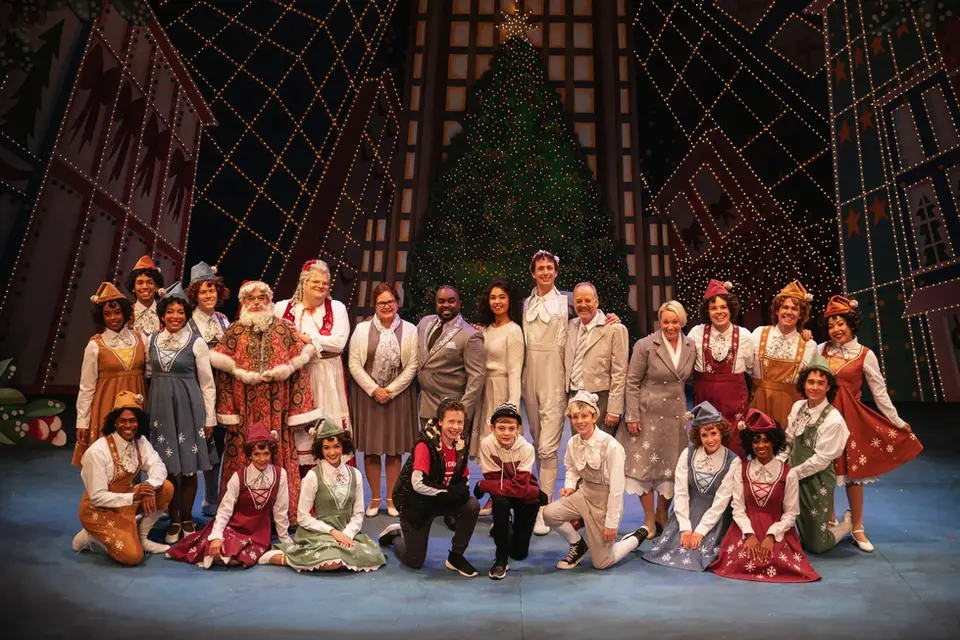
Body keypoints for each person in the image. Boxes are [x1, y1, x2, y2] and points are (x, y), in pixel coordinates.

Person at [209, 280, 320, 523]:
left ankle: (281, 517)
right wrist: (228, 412)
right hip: (243, 414)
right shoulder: (233, 332)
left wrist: (298, 411)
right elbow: (223, 377)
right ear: (243, 302)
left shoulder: (285, 329)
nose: (257, 302)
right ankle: (240, 515)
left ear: (270, 301)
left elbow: (299, 373)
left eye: (262, 298)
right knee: (242, 460)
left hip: (278, 414)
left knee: (278, 457)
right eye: (251, 298)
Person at [819, 295, 922, 552]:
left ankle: (857, 527)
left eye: (840, 324)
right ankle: (829, 522)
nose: (836, 330)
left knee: (853, 475)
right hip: (822, 419)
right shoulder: (820, 350)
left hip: (850, 421)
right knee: (824, 472)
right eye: (831, 325)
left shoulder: (865, 354)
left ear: (851, 324)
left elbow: (880, 393)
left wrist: (896, 420)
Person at [709, 408, 820, 583]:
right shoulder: (741, 470)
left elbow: (791, 513)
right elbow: (738, 508)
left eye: (766, 440)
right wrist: (749, 534)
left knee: (777, 562)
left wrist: (771, 536)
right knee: (740, 561)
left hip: (777, 529)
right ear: (749, 444)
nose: (761, 445)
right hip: (745, 527)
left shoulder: (788, 474)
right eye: (756, 441)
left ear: (774, 442)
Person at [617, 300, 695, 540]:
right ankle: (649, 519)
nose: (670, 326)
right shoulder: (645, 345)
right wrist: (631, 415)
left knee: (670, 468)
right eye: (665, 321)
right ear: (659, 322)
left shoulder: (690, 345)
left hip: (675, 416)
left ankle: (662, 514)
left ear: (682, 322)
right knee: (645, 469)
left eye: (675, 322)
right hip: (647, 414)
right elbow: (632, 382)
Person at [542, 391, 646, 570]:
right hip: (583, 494)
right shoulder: (573, 442)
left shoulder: (611, 445)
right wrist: (570, 487)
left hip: (604, 503)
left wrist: (611, 524)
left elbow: (616, 489)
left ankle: (634, 539)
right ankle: (578, 545)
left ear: (594, 416)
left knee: (601, 563)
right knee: (549, 513)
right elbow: (571, 468)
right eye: (575, 417)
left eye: (584, 416)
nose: (580, 421)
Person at [165, 422, 292, 568]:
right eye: (257, 454)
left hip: (259, 531)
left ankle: (239, 555)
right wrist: (217, 536)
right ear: (249, 455)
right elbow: (225, 510)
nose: (262, 459)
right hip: (234, 526)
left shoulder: (280, 475)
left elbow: (280, 511)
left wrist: (285, 539)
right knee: (217, 549)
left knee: (236, 558)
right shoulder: (239, 476)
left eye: (266, 454)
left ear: (271, 454)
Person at [378, 399, 481, 577]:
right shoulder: (425, 445)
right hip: (417, 503)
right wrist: (448, 492)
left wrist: (459, 492)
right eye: (451, 421)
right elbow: (418, 483)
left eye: (460, 422)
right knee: (414, 561)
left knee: (471, 505)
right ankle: (395, 536)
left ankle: (456, 557)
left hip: (439, 498)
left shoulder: (461, 443)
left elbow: (464, 478)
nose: (456, 427)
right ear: (440, 421)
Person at [147, 282, 217, 544]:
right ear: (162, 315)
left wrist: (210, 418)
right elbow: (147, 373)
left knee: (188, 467)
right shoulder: (151, 340)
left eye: (180, 312)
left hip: (189, 408)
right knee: (167, 468)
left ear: (186, 315)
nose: (175, 316)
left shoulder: (196, 343)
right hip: (160, 410)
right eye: (170, 312)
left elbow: (208, 384)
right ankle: (173, 519)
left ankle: (187, 519)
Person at [270, 418, 386, 572]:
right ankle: (286, 558)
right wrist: (332, 532)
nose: (332, 452)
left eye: (336, 446)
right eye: (327, 448)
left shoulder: (355, 475)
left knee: (375, 556)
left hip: (346, 533)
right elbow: (302, 517)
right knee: (332, 562)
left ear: (343, 447)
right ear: (321, 450)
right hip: (319, 533)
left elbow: (358, 514)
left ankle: (326, 555)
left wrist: (346, 535)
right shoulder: (312, 476)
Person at [73, 390, 174, 565]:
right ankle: (92, 535)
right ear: (115, 422)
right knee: (132, 557)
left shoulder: (140, 442)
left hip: (126, 500)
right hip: (98, 509)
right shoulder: (97, 452)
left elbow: (158, 466)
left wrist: (148, 487)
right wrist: (135, 496)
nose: (128, 425)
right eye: (123, 421)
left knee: (166, 488)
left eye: (132, 420)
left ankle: (142, 538)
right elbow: (97, 497)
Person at [348, 283, 419, 518]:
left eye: (390, 302)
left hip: (398, 395)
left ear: (397, 303)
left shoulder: (410, 330)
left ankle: (391, 499)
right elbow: (354, 364)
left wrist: (390, 390)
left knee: (393, 450)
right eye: (381, 303)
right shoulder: (362, 329)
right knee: (371, 449)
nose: (386, 306)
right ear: (375, 306)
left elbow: (412, 365)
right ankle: (375, 499)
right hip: (368, 396)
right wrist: (374, 389)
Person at [643, 401, 740, 571]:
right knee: (673, 549)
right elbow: (681, 493)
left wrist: (700, 531)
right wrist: (685, 528)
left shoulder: (733, 461)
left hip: (714, 516)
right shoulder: (688, 454)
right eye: (704, 435)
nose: (710, 440)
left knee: (702, 553)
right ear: (698, 436)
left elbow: (721, 501)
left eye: (713, 433)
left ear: (721, 432)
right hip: (687, 511)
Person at [276, 259, 352, 465]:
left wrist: (306, 338)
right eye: (315, 281)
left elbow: (338, 343)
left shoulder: (336, 308)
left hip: (327, 374)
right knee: (298, 431)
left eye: (325, 283)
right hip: (295, 377)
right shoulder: (283, 308)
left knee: (328, 426)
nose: (321, 286)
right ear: (304, 283)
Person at [522, 250, 573, 535]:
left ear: (556, 271)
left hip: (556, 374)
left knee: (548, 447)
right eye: (540, 268)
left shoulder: (567, 301)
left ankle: (545, 508)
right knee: (537, 440)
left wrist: (609, 318)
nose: (545, 272)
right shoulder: (525, 304)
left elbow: (590, 314)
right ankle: (538, 500)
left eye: (549, 267)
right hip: (530, 375)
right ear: (533, 272)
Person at [781, 353, 852, 553]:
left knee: (816, 545)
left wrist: (791, 474)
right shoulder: (798, 407)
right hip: (791, 473)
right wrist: (778, 466)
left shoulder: (833, 420)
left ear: (828, 387)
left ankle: (846, 525)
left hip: (815, 480)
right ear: (804, 384)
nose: (815, 387)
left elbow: (821, 460)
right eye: (810, 382)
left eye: (821, 383)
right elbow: (788, 440)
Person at [73, 282, 146, 466]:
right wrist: (82, 422)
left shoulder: (140, 339)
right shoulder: (95, 346)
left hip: (136, 407)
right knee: (109, 462)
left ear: (125, 313)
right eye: (107, 314)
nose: (113, 317)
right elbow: (86, 387)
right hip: (107, 408)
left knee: (136, 459)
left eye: (117, 312)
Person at [472, 402, 546, 579]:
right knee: (500, 501)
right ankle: (501, 559)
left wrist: (482, 486)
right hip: (509, 493)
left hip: (524, 494)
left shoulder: (526, 449)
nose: (506, 433)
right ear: (492, 428)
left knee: (519, 553)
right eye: (501, 428)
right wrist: (533, 490)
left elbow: (519, 488)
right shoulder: (487, 444)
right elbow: (493, 479)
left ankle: (505, 528)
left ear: (518, 429)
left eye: (511, 428)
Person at [185, 261, 232, 517]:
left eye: (212, 289)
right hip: (198, 388)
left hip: (223, 389)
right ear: (195, 295)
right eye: (203, 291)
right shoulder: (188, 322)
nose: (208, 295)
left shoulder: (224, 320)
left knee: (218, 444)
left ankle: (212, 497)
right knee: (199, 443)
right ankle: (182, 503)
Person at [688, 280, 755, 459]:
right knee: (705, 448)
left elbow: (751, 367)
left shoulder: (745, 336)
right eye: (713, 308)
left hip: (734, 403)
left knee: (735, 449)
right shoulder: (696, 333)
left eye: (723, 307)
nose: (719, 312)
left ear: (731, 309)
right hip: (705, 401)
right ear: (707, 311)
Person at [416, 285, 486, 430]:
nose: (446, 305)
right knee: (426, 445)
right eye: (441, 301)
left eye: (451, 301)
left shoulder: (470, 335)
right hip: (425, 406)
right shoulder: (424, 323)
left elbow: (476, 379)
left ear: (459, 303)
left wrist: (462, 413)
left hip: (452, 411)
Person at [564, 282, 628, 437]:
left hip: (602, 398)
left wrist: (614, 409)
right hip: (574, 396)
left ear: (596, 302)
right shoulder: (570, 326)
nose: (583, 305)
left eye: (588, 300)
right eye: (578, 301)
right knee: (579, 445)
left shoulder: (614, 329)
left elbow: (620, 372)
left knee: (601, 447)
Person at [750, 280, 817, 429]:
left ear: (801, 315)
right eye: (785, 307)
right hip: (760, 403)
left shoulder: (808, 345)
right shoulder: (758, 334)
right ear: (777, 311)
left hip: (790, 408)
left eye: (794, 309)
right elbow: (745, 366)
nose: (789, 312)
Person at [470, 278, 524, 460]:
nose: (497, 301)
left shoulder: (514, 331)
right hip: (484, 392)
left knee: (502, 450)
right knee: (487, 451)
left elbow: (515, 373)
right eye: (493, 297)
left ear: (509, 300)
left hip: (501, 391)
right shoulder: (487, 329)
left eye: (502, 297)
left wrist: (512, 409)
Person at [126, 255, 164, 339]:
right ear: (133, 288)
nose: (145, 287)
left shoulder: (165, 312)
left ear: (156, 286)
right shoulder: (126, 313)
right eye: (140, 283)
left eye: (150, 282)